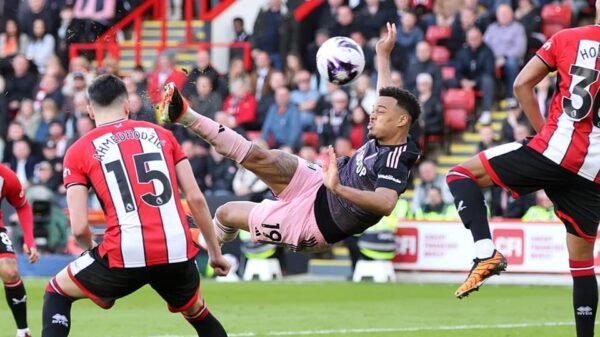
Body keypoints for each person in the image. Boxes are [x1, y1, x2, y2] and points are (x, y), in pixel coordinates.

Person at [159, 23, 420, 253]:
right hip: (319, 181)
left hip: (315, 221)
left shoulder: (397, 158)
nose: (372, 115)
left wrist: (338, 187)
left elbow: (386, 203)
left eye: (380, 112)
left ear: (401, 121)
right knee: (263, 156)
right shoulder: (388, 130)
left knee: (226, 213)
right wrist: (382, 56)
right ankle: (185, 115)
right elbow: (386, 96)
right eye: (374, 109)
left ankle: (208, 243)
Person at [446, 4, 600, 337]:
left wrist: (544, 132)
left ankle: (485, 253)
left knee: (460, 175)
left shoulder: (567, 38)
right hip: (594, 171)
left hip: (555, 148)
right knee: (583, 264)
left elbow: (520, 85)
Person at [41, 74, 230, 337]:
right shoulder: (163, 135)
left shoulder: (78, 150)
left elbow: (80, 227)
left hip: (124, 253)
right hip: (175, 249)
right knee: (197, 312)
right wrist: (214, 251)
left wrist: (93, 253)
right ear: (127, 106)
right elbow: (196, 199)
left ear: (90, 110)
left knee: (56, 292)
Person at [0, 164, 38, 337]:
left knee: (10, 270)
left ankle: (23, 330)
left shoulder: (6, 176)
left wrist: (29, 241)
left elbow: (22, 205)